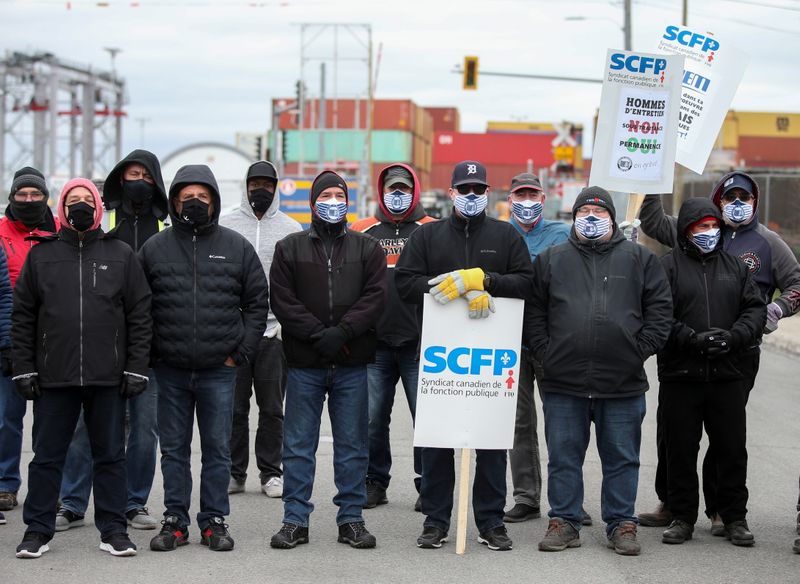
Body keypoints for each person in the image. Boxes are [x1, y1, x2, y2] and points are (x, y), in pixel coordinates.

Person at [637, 172, 800, 533]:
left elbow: (792, 285)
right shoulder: (685, 242)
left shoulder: (767, 244)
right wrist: (655, 169)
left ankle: (723, 511)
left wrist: (776, 310)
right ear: (717, 202)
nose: (737, 205)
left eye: (745, 198)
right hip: (684, 362)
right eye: (730, 198)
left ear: (755, 201)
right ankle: (676, 507)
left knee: (727, 438)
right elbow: (651, 222)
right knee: (675, 437)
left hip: (737, 355)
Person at [395, 160, 533, 552]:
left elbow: (527, 283)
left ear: (488, 193)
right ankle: (436, 519)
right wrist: (445, 288)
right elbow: (404, 283)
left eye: (479, 190)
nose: (471, 196)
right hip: (444, 355)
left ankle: (491, 521)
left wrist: (485, 283)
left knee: (490, 440)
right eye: (464, 189)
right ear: (451, 193)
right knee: (439, 439)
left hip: (491, 359)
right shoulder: (428, 237)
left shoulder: (506, 237)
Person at [526, 187, 672, 556]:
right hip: (564, 382)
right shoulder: (551, 259)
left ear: (611, 216)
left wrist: (635, 353)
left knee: (622, 457)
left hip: (621, 383)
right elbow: (535, 314)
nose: (591, 217)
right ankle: (564, 521)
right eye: (584, 211)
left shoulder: (639, 259)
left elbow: (660, 313)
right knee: (563, 456)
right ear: (574, 217)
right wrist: (547, 354)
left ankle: (622, 524)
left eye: (599, 211)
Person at [11, 178, 152, 558]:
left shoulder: (120, 253)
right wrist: (24, 367)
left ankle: (113, 531)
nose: (80, 207)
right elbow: (23, 316)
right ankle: (37, 531)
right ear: (61, 208)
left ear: (98, 207)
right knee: (47, 457)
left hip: (109, 376)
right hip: (55, 376)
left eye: (86, 200)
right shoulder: (41, 256)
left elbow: (140, 314)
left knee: (110, 456)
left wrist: (137, 366)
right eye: (72, 200)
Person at [139, 165, 269, 553]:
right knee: (174, 450)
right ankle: (175, 520)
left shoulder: (236, 246)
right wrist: (151, 354)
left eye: (202, 197)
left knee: (217, 449)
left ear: (213, 200)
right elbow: (138, 307)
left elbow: (257, 303)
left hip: (219, 369)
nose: (194, 203)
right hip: (170, 370)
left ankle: (213, 520)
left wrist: (240, 353)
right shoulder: (154, 248)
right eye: (186, 197)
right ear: (175, 201)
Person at [269, 170, 386, 550]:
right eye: (327, 195)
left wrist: (345, 332)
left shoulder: (367, 248)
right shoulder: (290, 248)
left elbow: (374, 297)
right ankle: (294, 520)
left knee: (353, 444)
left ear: (348, 201)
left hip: (353, 362)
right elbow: (283, 299)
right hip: (305, 362)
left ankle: (351, 519)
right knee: (299, 444)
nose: (333, 201)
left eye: (340, 195)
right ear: (313, 202)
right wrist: (319, 334)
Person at [56, 149, 168, 532]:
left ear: (155, 182)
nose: (138, 180)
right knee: (85, 427)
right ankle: (72, 501)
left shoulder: (166, 230)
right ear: (119, 179)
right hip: (101, 345)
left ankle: (134, 502)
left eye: (146, 175)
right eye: (131, 173)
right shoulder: (105, 224)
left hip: (150, 348)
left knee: (143, 429)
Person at [656, 198, 765, 547]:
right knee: (680, 449)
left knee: (731, 448)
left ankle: (734, 517)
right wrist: (689, 339)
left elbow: (754, 310)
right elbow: (658, 313)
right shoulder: (667, 267)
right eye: (700, 227)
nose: (708, 232)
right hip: (681, 374)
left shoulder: (736, 267)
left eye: (712, 225)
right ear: (686, 229)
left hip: (727, 373)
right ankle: (682, 516)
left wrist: (733, 337)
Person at [351, 163, 434, 511]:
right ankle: (374, 481)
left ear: (415, 190)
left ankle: (429, 484)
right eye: (391, 189)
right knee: (371, 419)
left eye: (403, 189)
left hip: (421, 345)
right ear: (381, 191)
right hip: (375, 345)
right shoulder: (361, 230)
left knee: (427, 420)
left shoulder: (432, 230)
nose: (397, 195)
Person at [220, 160, 301, 498]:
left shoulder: (291, 228)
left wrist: (285, 324)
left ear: (276, 187)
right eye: (255, 184)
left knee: (271, 408)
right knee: (234, 409)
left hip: (273, 334)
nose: (261, 191)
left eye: (268, 184)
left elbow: (298, 282)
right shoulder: (225, 225)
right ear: (245, 186)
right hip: (234, 334)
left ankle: (271, 472)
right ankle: (234, 472)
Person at [502, 172, 569, 524]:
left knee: (562, 422)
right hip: (510, 340)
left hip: (552, 340)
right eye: (520, 195)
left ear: (543, 198)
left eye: (532, 195)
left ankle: (567, 499)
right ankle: (526, 496)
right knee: (518, 422)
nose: (526, 202)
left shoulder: (563, 233)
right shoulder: (498, 234)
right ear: (510, 199)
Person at [0, 167, 60, 516]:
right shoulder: (1, 232)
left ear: (45, 198)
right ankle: (6, 483)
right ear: (12, 197)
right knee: (7, 417)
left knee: (50, 419)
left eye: (35, 194)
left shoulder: (57, 230)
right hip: (9, 339)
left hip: (52, 339)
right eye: (21, 195)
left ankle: (46, 486)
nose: (28, 200)